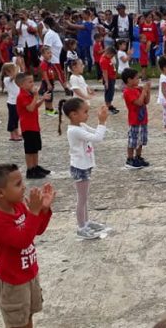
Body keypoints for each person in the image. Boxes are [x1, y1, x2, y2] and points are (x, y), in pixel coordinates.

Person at [0, 164, 54, 328]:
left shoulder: (19, 206)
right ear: (0, 193)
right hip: (13, 282)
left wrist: (43, 209)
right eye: (17, 185)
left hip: (29, 274)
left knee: (27, 317)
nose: (24, 188)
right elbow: (23, 241)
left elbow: (37, 230)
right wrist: (34, 213)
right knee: (17, 323)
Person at [58, 97, 110, 240]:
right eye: (85, 112)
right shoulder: (74, 130)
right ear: (74, 114)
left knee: (84, 198)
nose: (88, 115)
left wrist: (102, 122)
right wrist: (102, 122)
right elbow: (97, 138)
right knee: (81, 199)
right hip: (79, 167)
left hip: (85, 165)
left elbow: (96, 134)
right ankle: (81, 227)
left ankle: (86, 222)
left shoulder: (80, 125)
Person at [15, 73, 51, 179]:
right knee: (30, 150)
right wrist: (36, 96)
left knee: (35, 148)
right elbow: (30, 108)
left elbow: (35, 106)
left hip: (34, 125)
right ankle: (30, 169)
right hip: (27, 126)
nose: (32, 84)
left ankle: (35, 167)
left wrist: (42, 99)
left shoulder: (29, 94)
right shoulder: (22, 96)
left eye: (32, 81)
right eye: (29, 82)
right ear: (22, 84)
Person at [121, 68, 151, 169]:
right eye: (136, 78)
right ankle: (130, 159)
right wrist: (143, 92)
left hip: (143, 119)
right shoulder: (127, 91)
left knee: (141, 140)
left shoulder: (138, 89)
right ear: (129, 80)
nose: (138, 80)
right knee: (133, 140)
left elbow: (146, 101)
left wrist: (148, 91)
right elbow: (138, 103)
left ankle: (138, 157)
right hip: (135, 120)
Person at [1, 63, 22, 141]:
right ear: (7, 72)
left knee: (16, 118)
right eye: (12, 70)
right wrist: (17, 66)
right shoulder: (7, 79)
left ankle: (16, 132)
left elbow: (19, 74)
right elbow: (14, 75)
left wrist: (19, 65)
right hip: (12, 102)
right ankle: (12, 135)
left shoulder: (13, 78)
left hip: (16, 102)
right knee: (12, 119)